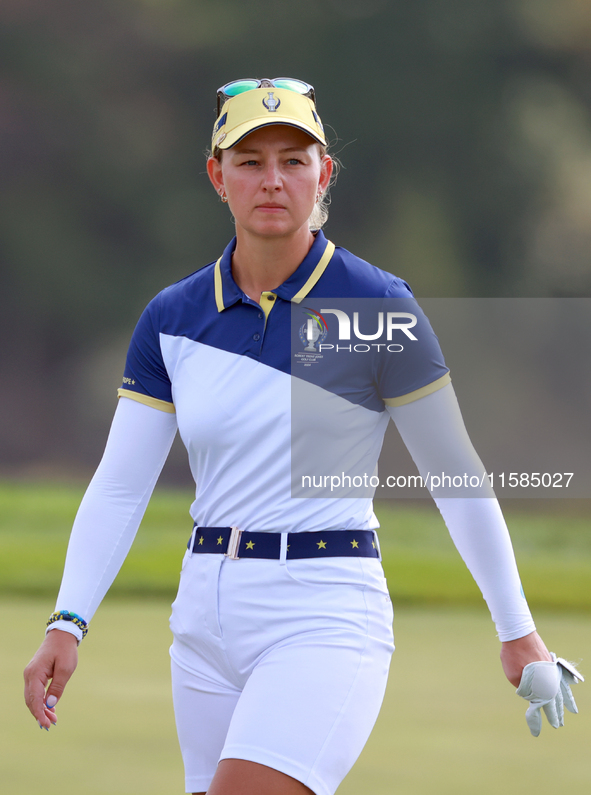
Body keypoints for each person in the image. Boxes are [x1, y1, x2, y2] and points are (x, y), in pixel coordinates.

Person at [24, 77, 582, 795]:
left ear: (323, 172)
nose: (272, 180)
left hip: (322, 610)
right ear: (215, 175)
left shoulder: (374, 302)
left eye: (293, 159)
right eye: (249, 160)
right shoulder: (173, 315)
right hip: (202, 620)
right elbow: (122, 482)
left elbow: (455, 474)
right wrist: (68, 620)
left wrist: (517, 629)